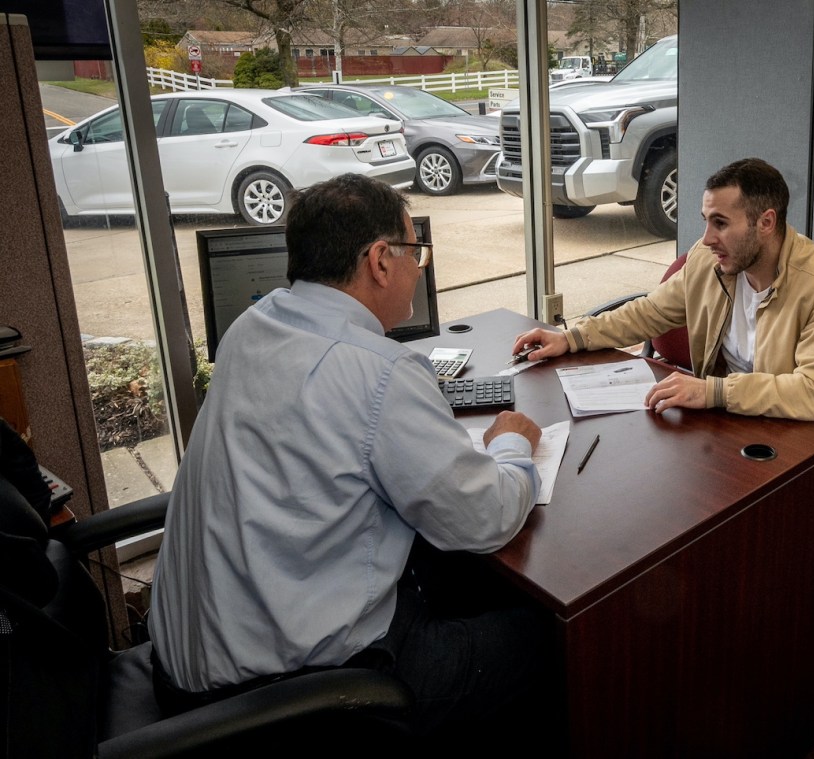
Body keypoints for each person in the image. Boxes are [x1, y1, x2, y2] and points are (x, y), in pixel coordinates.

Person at [148, 174, 553, 741]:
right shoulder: (378, 370)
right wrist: (512, 444)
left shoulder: (250, 328)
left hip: (186, 665)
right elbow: (484, 519)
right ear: (381, 261)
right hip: (282, 699)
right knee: (550, 633)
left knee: (452, 572)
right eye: (417, 253)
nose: (421, 267)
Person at [513, 157, 814, 466]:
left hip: (810, 440)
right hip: (733, 422)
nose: (707, 238)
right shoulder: (709, 260)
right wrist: (572, 338)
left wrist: (714, 392)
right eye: (706, 221)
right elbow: (649, 312)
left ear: (766, 222)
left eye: (721, 223)